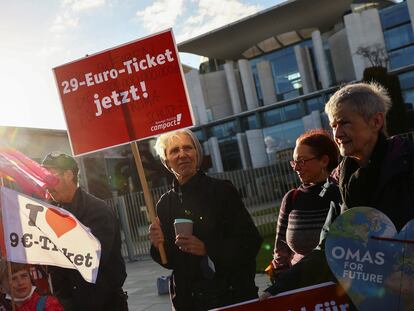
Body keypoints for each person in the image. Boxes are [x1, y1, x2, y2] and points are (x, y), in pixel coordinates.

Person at [260, 82, 414, 303]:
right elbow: (329, 249)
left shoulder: (407, 167)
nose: (337, 134)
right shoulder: (340, 184)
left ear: (376, 121)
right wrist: (280, 288)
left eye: (345, 123)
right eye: (333, 125)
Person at [149, 129, 263, 311]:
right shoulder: (165, 204)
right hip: (188, 302)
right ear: (166, 161)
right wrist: (158, 246)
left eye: (187, 148)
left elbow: (250, 242)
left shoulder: (222, 191)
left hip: (229, 296)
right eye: (174, 151)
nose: (182, 155)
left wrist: (207, 248)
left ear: (197, 153)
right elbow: (170, 261)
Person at [41, 152, 127, 311]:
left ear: (68, 175)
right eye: (43, 178)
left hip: (104, 303)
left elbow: (93, 259)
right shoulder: (53, 211)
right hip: (70, 303)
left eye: (51, 177)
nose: (47, 184)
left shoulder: (97, 210)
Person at [263, 129, 341, 296]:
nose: (296, 168)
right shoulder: (292, 198)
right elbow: (281, 248)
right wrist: (281, 280)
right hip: (297, 288)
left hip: (336, 288)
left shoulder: (339, 195)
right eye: (294, 162)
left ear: (324, 161)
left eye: (302, 161)